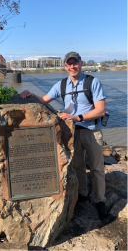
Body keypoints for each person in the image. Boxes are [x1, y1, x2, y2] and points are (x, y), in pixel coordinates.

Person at [20, 51, 109, 223]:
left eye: (75, 63)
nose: (72, 67)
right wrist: (30, 94)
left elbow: (101, 110)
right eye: (69, 64)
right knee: (78, 165)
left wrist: (78, 117)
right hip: (72, 132)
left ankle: (100, 200)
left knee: (97, 168)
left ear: (81, 64)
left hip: (91, 131)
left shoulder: (92, 82)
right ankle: (83, 194)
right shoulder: (61, 85)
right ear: (65, 66)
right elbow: (44, 99)